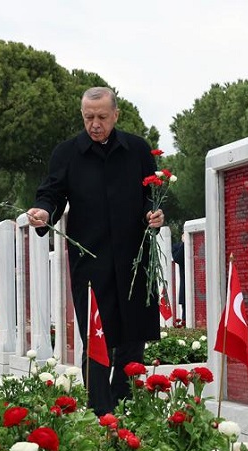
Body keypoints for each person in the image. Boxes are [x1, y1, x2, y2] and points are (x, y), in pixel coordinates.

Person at [27, 86, 164, 416]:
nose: (95, 124)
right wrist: (44, 212)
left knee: (133, 336)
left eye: (102, 117)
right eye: (89, 117)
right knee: (97, 337)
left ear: (116, 115)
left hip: (134, 261)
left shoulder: (137, 149)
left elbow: (151, 192)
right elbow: (52, 193)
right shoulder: (67, 152)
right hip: (91, 263)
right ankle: (99, 412)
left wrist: (155, 213)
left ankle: (127, 405)